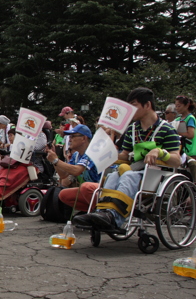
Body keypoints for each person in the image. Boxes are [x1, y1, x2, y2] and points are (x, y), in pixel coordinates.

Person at [73, 87, 180, 230]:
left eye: (134, 105)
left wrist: (159, 152)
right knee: (112, 175)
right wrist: (105, 151)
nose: (130, 110)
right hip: (135, 169)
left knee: (128, 176)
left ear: (147, 105)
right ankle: (103, 213)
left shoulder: (166, 129)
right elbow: (125, 154)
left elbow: (176, 160)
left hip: (155, 173)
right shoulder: (132, 129)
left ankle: (114, 217)